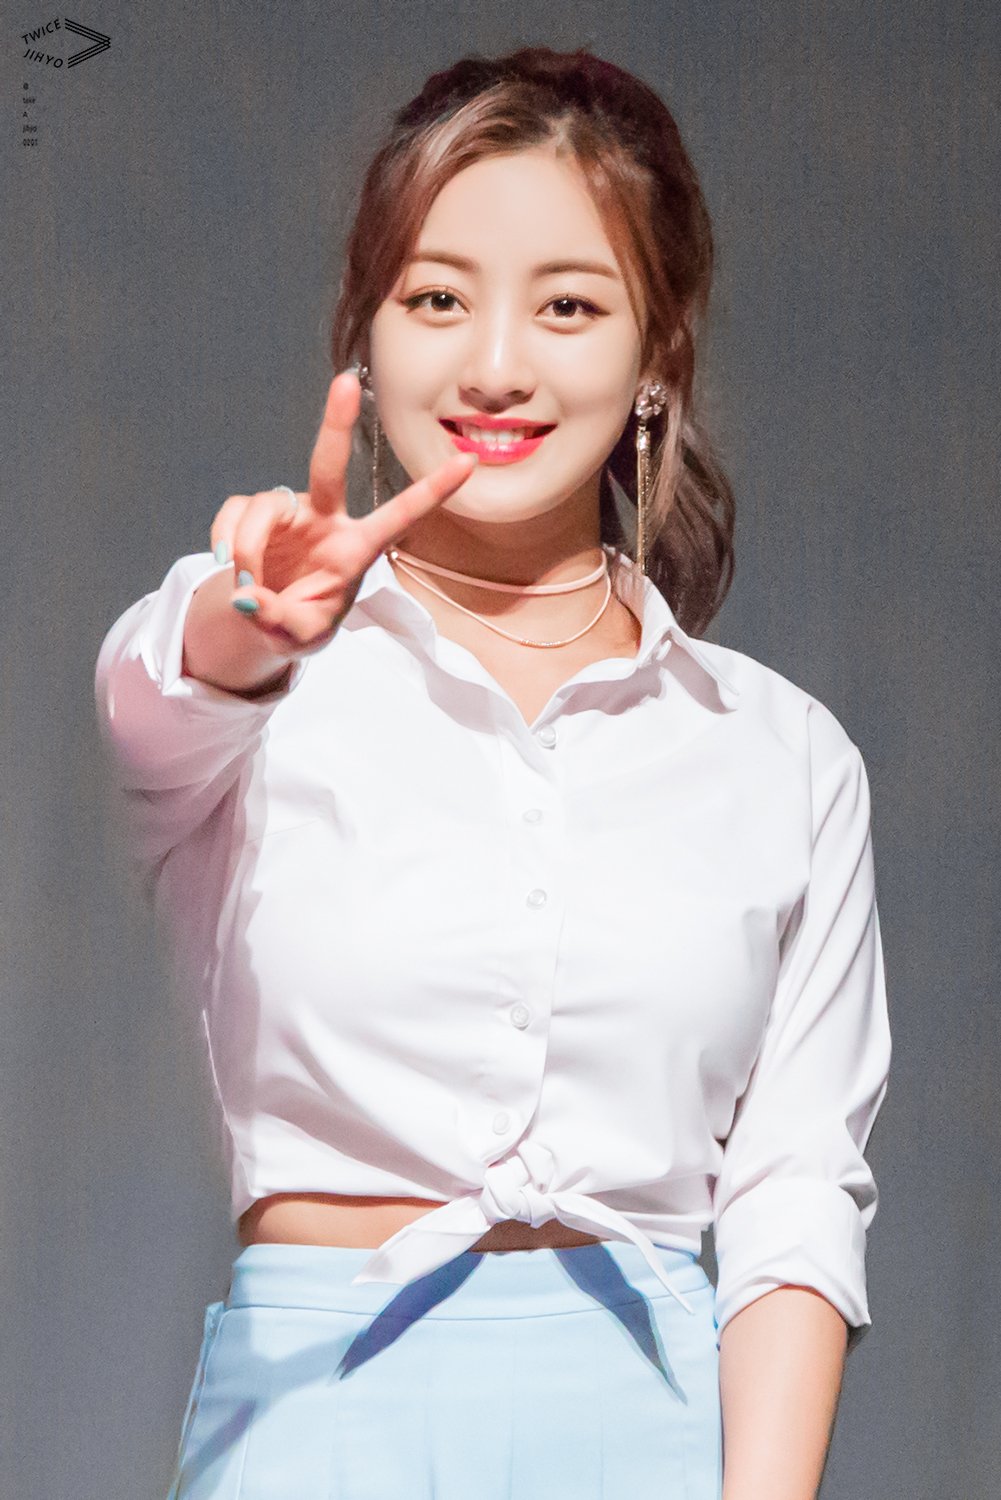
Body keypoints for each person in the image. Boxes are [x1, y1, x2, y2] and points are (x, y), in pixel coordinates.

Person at [95, 45, 891, 1500]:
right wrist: (252, 621)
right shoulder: (249, 674)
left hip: (653, 1430)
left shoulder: (781, 758)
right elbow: (155, 702)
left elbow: (794, 1200)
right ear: (367, 333)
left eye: (568, 306)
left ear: (658, 355)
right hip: (313, 1426)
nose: (496, 366)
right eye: (438, 299)